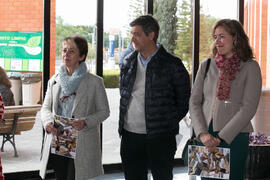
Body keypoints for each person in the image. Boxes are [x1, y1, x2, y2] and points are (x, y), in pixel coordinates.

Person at [119, 15, 191, 180]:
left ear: (151, 35)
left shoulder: (173, 64)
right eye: (132, 34)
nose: (132, 39)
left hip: (161, 137)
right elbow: (124, 95)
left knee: (162, 177)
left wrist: (166, 122)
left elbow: (184, 100)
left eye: (137, 34)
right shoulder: (128, 62)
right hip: (130, 136)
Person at [189, 19, 262, 180]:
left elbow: (248, 108)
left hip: (233, 138)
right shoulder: (206, 65)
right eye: (215, 37)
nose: (217, 41)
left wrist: (221, 137)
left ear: (235, 38)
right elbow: (194, 102)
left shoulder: (250, 67)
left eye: (222, 36)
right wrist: (202, 134)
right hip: (207, 137)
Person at [39, 35, 110, 180]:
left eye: (71, 51)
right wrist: (47, 123)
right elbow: (45, 108)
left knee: (75, 176)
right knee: (61, 176)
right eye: (64, 50)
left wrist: (86, 121)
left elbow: (104, 111)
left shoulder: (95, 82)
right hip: (59, 139)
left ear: (82, 56)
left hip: (82, 140)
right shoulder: (54, 80)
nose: (66, 54)